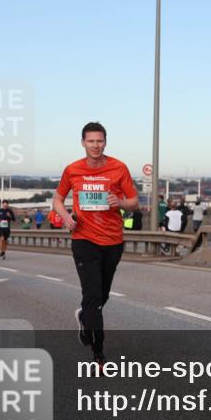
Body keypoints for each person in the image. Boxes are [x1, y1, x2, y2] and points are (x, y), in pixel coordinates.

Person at [53, 121, 138, 369]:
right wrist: (66, 216)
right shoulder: (72, 170)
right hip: (83, 239)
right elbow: (58, 199)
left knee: (102, 296)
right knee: (91, 295)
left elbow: (134, 202)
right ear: (83, 143)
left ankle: (84, 316)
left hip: (113, 240)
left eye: (99, 141)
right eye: (90, 141)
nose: (95, 145)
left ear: (105, 142)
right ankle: (98, 353)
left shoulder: (119, 168)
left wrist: (120, 202)